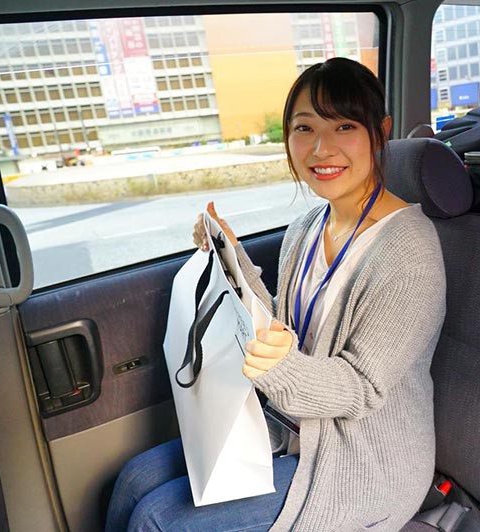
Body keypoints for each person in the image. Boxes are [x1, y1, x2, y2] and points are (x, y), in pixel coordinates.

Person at [106, 57, 446, 531]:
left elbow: (361, 388)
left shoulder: (408, 249)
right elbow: (283, 330)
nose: (321, 148)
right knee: (134, 479)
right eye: (304, 128)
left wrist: (279, 366)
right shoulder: (306, 227)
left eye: (345, 126)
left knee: (157, 519)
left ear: (380, 132)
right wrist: (232, 260)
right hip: (288, 426)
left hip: (362, 459)